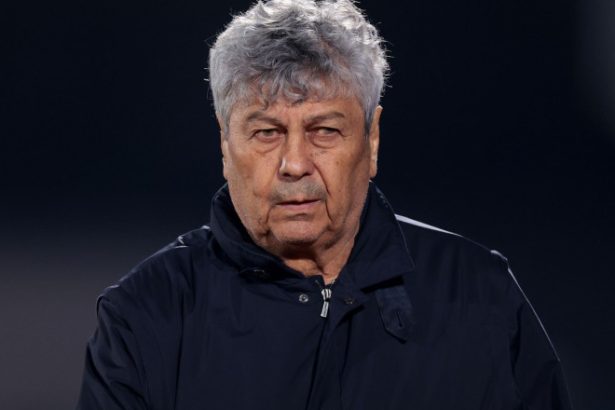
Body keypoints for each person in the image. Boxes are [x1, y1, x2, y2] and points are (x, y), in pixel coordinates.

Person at [77, 0, 573, 409]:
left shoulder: (479, 296)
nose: (295, 164)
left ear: (372, 140)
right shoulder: (147, 315)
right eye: (266, 132)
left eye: (324, 131)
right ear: (225, 145)